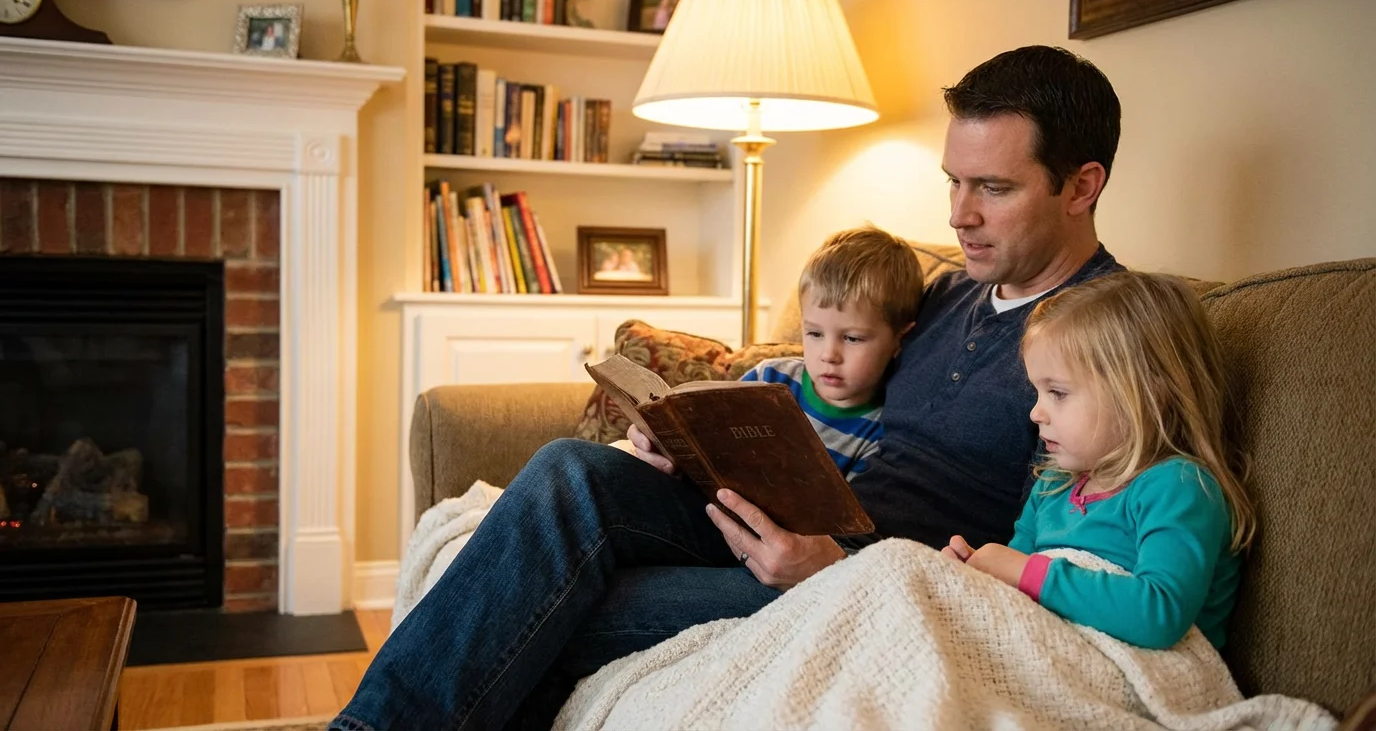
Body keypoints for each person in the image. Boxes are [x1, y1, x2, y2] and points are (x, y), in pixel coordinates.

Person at [331, 45, 1127, 731]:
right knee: (570, 470)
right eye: (953, 181)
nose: (959, 215)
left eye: (992, 188)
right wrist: (696, 445)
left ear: (1081, 186)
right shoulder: (946, 293)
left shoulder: (1110, 337)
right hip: (797, 517)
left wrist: (831, 569)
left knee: (542, 606)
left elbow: (1061, 546)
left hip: (868, 579)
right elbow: (832, 387)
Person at [942, 272, 1256, 649]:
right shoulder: (1053, 485)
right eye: (1038, 392)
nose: (1035, 413)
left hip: (1148, 670)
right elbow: (1017, 590)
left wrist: (1021, 569)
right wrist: (976, 574)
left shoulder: (1180, 487)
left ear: (1145, 395)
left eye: (1057, 393)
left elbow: (1159, 615)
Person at [735, 225, 922, 479]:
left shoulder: (881, 432)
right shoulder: (768, 378)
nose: (828, 355)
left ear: (901, 338)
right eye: (814, 334)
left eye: (852, 338)